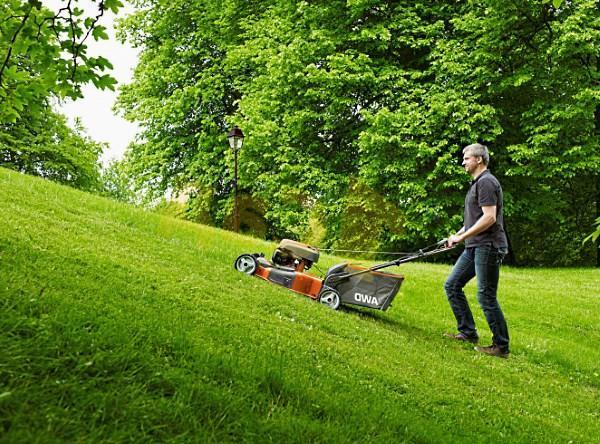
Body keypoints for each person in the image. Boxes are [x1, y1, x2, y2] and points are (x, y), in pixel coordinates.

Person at [444, 143, 510, 358]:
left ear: (479, 160)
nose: (463, 162)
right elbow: (475, 218)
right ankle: (468, 332)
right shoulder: (477, 184)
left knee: (486, 296)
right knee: (452, 285)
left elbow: (490, 217)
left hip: (488, 246)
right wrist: (457, 235)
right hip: (474, 246)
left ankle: (501, 346)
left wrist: (462, 237)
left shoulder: (487, 182)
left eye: (466, 158)